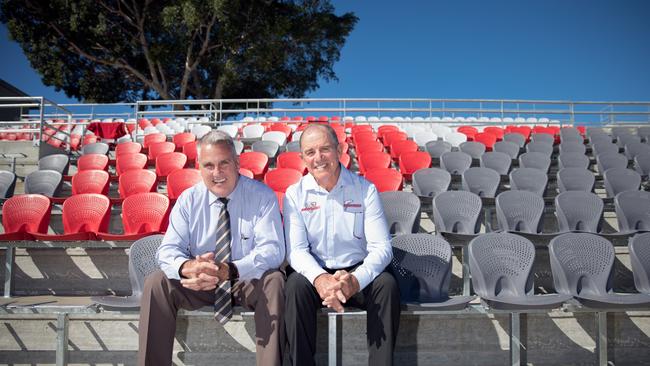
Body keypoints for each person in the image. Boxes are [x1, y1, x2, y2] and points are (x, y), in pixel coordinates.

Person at [138, 130, 286, 366]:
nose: (216, 173)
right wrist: (189, 267)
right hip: (201, 282)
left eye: (224, 163)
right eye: (208, 165)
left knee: (275, 281)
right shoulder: (188, 200)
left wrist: (230, 270)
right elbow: (166, 251)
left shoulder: (262, 196)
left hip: (244, 280)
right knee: (157, 283)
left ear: (237, 163)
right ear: (200, 167)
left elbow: (273, 250)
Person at [283, 124, 400, 366]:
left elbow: (382, 248)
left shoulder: (365, 189)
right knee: (294, 287)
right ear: (302, 157)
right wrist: (320, 279)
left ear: (339, 150)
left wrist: (355, 281)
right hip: (314, 271)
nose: (318, 158)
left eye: (325, 149)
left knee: (387, 285)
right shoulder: (294, 194)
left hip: (357, 271)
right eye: (310, 152)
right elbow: (296, 250)